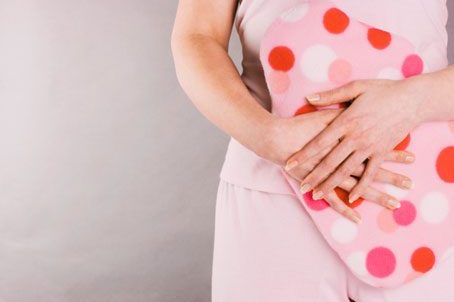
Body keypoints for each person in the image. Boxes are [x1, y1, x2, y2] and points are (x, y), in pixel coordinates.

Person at [171, 0, 454, 301]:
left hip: (422, 193)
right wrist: (266, 135)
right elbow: (197, 35)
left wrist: (412, 102)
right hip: (273, 193)